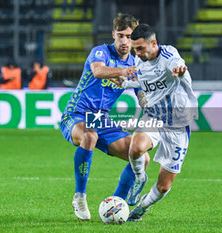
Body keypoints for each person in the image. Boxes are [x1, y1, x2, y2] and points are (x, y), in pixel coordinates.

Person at [60, 13, 150, 221]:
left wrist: (151, 104)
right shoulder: (100, 52)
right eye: (121, 35)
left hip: (101, 120)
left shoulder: (137, 63)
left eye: (129, 36)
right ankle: (80, 197)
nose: (124, 41)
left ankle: (117, 204)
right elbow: (98, 72)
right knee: (89, 137)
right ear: (113, 35)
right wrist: (125, 71)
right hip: (76, 114)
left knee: (142, 157)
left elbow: (142, 97)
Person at [115, 24, 198, 221]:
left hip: (177, 123)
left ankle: (142, 207)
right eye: (135, 48)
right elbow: (145, 80)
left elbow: (176, 63)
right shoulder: (140, 59)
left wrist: (179, 69)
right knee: (135, 149)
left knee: (163, 186)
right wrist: (126, 83)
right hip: (153, 116)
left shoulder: (169, 55)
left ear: (154, 43)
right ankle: (139, 177)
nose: (137, 52)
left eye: (140, 48)